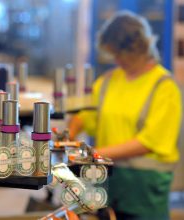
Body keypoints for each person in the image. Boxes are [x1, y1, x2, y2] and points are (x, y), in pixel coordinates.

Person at [69, 11, 182, 220]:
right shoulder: (109, 80)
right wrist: (70, 134)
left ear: (139, 48)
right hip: (109, 181)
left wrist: (94, 154)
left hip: (144, 188)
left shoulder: (164, 87)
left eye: (121, 54)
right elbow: (87, 116)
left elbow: (149, 142)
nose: (117, 60)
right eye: (114, 54)